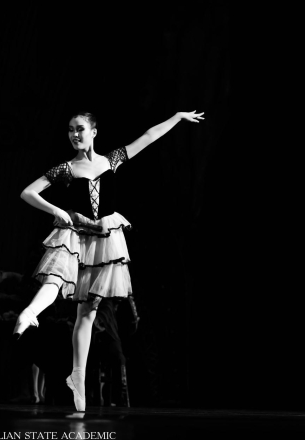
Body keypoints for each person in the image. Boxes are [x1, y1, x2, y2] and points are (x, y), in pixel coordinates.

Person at [15, 110, 204, 411]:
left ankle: (78, 377)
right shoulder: (66, 168)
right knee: (57, 278)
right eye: (70, 130)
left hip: (102, 239)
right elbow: (28, 193)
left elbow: (148, 137)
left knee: (87, 311)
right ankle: (29, 313)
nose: (74, 135)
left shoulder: (111, 160)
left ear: (93, 132)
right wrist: (57, 211)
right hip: (76, 234)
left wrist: (177, 118)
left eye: (80, 129)